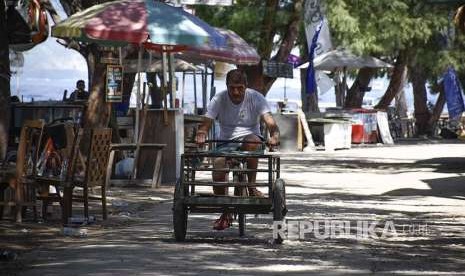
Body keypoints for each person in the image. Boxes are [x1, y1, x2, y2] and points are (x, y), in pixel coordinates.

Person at [196, 69, 280, 230]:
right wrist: (201, 133)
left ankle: (251, 186)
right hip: (225, 143)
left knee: (252, 141)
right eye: (232, 87)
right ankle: (225, 211)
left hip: (250, 140)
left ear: (246, 86)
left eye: (240, 88)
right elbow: (206, 123)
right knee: (218, 170)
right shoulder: (219, 99)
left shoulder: (256, 98)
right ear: (227, 86)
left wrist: (274, 136)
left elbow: (270, 123)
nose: (236, 92)